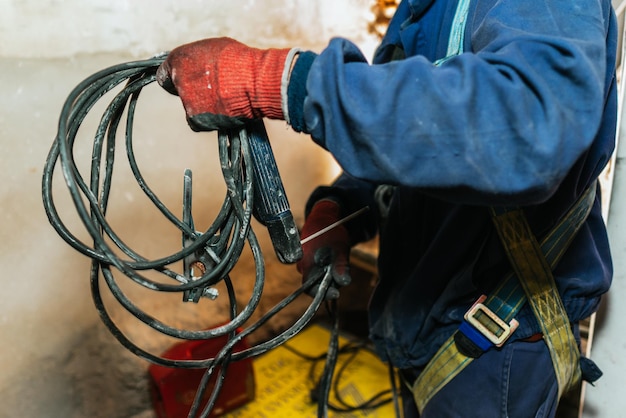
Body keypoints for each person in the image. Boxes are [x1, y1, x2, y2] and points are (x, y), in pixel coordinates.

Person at [155, 0, 617, 416]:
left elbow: (526, 127)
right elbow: (416, 141)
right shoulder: (422, 10)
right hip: (424, 330)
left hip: (497, 349)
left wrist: (281, 81)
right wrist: (341, 205)